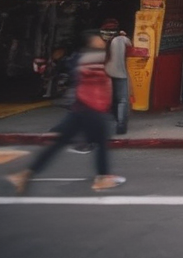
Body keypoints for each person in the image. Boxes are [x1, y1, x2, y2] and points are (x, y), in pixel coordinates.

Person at [6, 30, 126, 195]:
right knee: (100, 143)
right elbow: (99, 82)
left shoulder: (86, 58)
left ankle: (25, 174)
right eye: (98, 39)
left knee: (60, 144)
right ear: (91, 41)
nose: (101, 41)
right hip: (92, 108)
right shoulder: (93, 58)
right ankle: (103, 177)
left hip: (82, 109)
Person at [101, 19, 132, 136]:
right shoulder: (120, 39)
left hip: (106, 73)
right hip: (120, 73)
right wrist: (124, 35)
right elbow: (130, 44)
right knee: (122, 100)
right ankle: (121, 126)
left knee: (112, 99)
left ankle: (111, 121)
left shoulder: (102, 40)